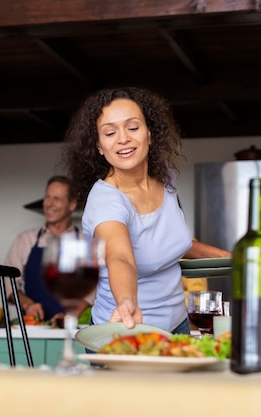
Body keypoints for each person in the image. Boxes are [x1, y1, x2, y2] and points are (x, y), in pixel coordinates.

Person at [65, 87, 230, 334]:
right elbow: (119, 257)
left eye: (132, 128)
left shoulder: (166, 179)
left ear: (150, 134)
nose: (123, 138)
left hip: (178, 326)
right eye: (110, 132)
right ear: (99, 146)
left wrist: (233, 258)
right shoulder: (105, 200)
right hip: (127, 331)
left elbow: (174, 242)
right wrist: (127, 302)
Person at [4, 175, 91, 323]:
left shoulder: (85, 242)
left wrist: (70, 317)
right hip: (35, 323)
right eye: (47, 197)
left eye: (56, 199)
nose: (49, 203)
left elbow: (94, 291)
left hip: (76, 325)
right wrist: (28, 304)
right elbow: (8, 284)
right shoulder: (25, 240)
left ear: (72, 204)